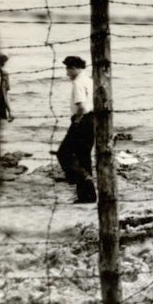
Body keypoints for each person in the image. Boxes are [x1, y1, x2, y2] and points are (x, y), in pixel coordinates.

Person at [57, 56, 96, 203]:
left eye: (67, 69)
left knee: (64, 153)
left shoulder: (78, 83)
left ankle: (81, 178)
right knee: (83, 156)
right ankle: (88, 196)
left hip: (82, 120)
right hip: (92, 120)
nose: (67, 73)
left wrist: (76, 122)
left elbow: (82, 107)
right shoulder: (89, 80)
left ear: (73, 68)